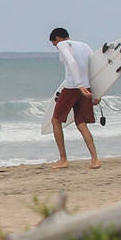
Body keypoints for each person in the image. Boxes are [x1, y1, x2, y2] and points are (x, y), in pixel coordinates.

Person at [48, 27, 101, 170]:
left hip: (72, 87)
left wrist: (78, 85)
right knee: (82, 123)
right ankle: (95, 160)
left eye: (54, 44)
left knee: (55, 120)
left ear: (58, 39)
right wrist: (96, 93)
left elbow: (71, 62)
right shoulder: (85, 46)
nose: (56, 47)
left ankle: (63, 159)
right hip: (86, 88)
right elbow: (95, 67)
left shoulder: (62, 45)